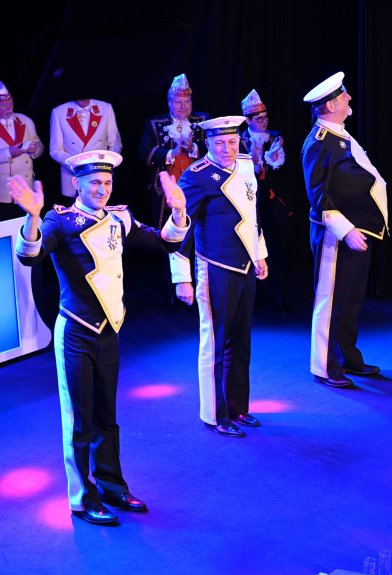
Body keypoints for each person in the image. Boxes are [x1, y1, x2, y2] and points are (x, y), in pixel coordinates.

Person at [8, 150, 188, 525]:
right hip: (75, 331)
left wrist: (179, 211)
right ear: (77, 184)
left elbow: (164, 243)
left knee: (107, 416)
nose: (103, 189)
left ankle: (112, 486)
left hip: (110, 331)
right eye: (94, 183)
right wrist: (32, 217)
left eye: (107, 182)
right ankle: (81, 497)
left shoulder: (119, 218)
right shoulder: (60, 221)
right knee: (80, 420)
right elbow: (29, 256)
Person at [167, 115, 268, 438]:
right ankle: (214, 413)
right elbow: (181, 228)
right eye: (220, 143)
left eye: (232, 142)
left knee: (241, 342)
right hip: (215, 266)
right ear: (208, 143)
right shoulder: (196, 176)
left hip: (245, 265)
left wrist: (260, 254)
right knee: (215, 342)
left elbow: (252, 215)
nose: (227, 148)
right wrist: (182, 277)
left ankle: (237, 407)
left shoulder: (245, 166)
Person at [301, 71, 388, 388]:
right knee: (330, 301)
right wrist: (346, 230)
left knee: (350, 300)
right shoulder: (319, 143)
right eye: (344, 95)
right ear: (330, 105)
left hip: (359, 230)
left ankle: (347, 357)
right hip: (337, 235)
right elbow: (318, 196)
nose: (349, 97)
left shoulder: (338, 134)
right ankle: (324, 367)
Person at [240, 89, 292, 313]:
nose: (264, 122)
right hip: (250, 201)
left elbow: (280, 166)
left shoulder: (275, 138)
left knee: (277, 246)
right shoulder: (239, 141)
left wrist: (271, 160)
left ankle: (279, 294)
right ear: (248, 120)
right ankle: (254, 296)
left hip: (271, 199)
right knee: (252, 246)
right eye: (259, 119)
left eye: (266, 117)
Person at [139, 73, 209, 229]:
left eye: (187, 102)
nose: (184, 107)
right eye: (178, 102)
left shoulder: (203, 121)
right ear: (169, 102)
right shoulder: (154, 123)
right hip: (166, 193)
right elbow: (144, 153)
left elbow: (213, 151)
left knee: (197, 230)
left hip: (197, 189)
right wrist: (172, 153)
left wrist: (193, 148)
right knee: (169, 233)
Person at [50, 97, 122, 199]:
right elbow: (55, 150)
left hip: (101, 177)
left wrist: (107, 165)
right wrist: (78, 165)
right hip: (73, 178)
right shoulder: (59, 112)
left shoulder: (106, 108)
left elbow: (115, 142)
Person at [0, 82, 44, 221]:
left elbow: (40, 145)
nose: (9, 106)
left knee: (27, 226)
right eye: (3, 104)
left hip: (26, 188)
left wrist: (35, 150)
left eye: (10, 101)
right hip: (3, 192)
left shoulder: (25, 120)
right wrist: (9, 153)